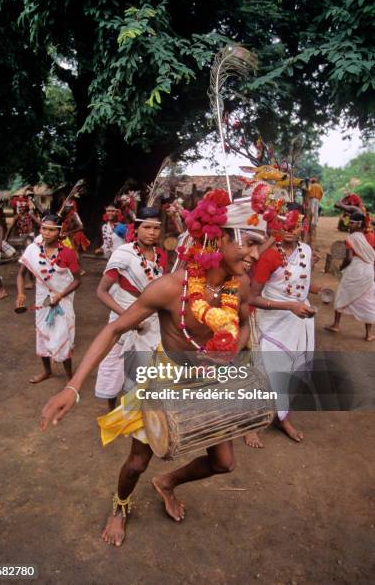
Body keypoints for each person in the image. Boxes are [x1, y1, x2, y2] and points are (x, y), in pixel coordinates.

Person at [40, 190, 266, 547]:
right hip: (166, 382)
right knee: (136, 463)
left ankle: (168, 483)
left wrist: (228, 356)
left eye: (261, 245)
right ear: (220, 237)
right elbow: (114, 328)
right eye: (249, 243)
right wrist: (73, 387)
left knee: (224, 463)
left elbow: (243, 328)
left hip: (210, 384)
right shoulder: (171, 288)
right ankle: (120, 505)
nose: (256, 255)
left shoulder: (240, 285)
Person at [247, 204, 319, 448]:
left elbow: (302, 285)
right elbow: (252, 298)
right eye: (284, 222)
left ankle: (282, 417)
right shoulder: (268, 255)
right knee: (266, 372)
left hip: (299, 320)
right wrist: (289, 307)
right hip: (272, 321)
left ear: (303, 226)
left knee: (289, 371)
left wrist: (306, 298)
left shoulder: (306, 250)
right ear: (276, 223)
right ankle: (252, 423)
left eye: (295, 223)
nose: (289, 228)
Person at [96, 208, 167, 410]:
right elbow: (102, 292)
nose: (152, 232)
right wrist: (128, 318)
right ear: (135, 229)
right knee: (114, 365)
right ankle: (111, 410)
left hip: (151, 319)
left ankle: (132, 410)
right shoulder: (124, 253)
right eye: (146, 227)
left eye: (156, 228)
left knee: (143, 366)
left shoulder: (161, 255)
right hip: (123, 314)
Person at [16, 214, 82, 383]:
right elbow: (21, 275)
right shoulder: (33, 249)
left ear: (60, 232)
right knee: (42, 334)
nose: (46, 233)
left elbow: (77, 281)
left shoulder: (68, 253)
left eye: (52, 230)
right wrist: (21, 293)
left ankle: (69, 377)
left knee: (62, 336)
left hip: (63, 300)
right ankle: (47, 371)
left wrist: (60, 295)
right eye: (44, 228)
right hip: (42, 300)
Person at [325, 231, 375, 341]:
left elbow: (348, 258)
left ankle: (336, 325)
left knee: (342, 294)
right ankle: (368, 334)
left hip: (355, 269)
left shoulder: (352, 238)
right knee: (368, 300)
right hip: (368, 271)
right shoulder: (372, 236)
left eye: (352, 223)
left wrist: (341, 267)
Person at [6, 196, 41, 289]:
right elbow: (10, 228)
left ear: (26, 207)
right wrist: (4, 240)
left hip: (30, 239)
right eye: (19, 207)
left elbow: (40, 224)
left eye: (22, 207)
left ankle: (33, 281)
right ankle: (32, 281)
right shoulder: (17, 217)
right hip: (22, 240)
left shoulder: (30, 215)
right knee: (27, 261)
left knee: (28, 260)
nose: (21, 209)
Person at [60, 199, 90, 275]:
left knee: (73, 253)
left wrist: (69, 232)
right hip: (64, 236)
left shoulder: (74, 215)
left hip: (74, 236)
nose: (66, 208)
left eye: (68, 207)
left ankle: (80, 269)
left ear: (71, 208)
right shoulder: (62, 214)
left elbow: (81, 227)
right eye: (65, 207)